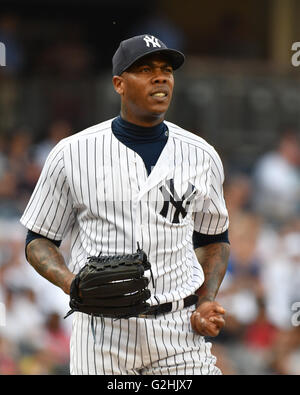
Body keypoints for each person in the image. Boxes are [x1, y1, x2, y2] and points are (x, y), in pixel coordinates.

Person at [20, 34, 230, 375]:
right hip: (103, 334)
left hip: (178, 330)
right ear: (119, 84)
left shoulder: (202, 155)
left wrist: (206, 300)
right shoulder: (72, 153)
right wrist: (69, 282)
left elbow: (213, 240)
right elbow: (38, 240)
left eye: (166, 70)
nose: (160, 77)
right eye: (145, 69)